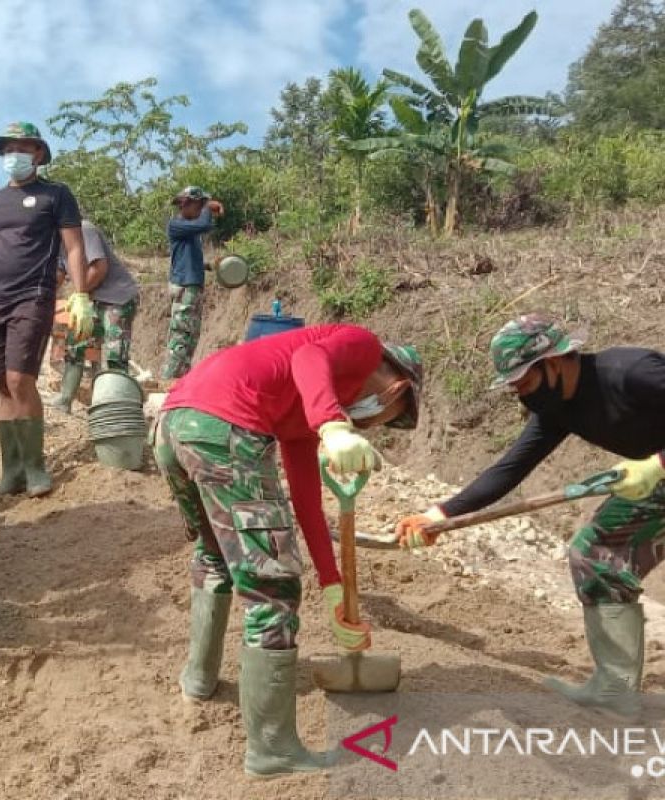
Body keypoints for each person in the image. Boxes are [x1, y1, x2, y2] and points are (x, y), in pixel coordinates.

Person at [152, 324, 423, 776]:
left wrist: (333, 586)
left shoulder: (299, 409)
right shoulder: (363, 346)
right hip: (225, 426)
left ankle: (198, 680)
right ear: (397, 389)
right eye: (383, 419)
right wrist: (334, 425)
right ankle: (272, 751)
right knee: (271, 588)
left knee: (215, 554)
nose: (371, 425)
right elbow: (309, 359)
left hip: (174, 424)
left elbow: (307, 502)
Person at [396, 314, 665, 718]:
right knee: (596, 557)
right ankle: (615, 689)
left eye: (524, 381)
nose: (520, 393)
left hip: (658, 473)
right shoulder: (559, 408)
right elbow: (509, 468)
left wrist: (658, 463)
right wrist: (438, 514)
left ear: (553, 363)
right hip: (656, 483)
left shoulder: (631, 372)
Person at [0, 122, 94, 498]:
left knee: (19, 380)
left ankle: (34, 467)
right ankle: (10, 470)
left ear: (38, 155)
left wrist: (80, 296)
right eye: (9, 148)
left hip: (34, 296)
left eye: (23, 148)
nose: (14, 155)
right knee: (1, 387)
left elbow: (75, 248)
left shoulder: (55, 195)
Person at [50, 214, 141, 412]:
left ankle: (114, 406)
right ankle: (65, 399)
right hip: (92, 299)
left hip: (117, 298)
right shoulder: (57, 242)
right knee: (76, 346)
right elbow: (58, 274)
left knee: (114, 355)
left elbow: (99, 268)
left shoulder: (84, 230)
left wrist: (78, 293)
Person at [161, 186, 223, 383]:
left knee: (190, 337)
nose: (200, 210)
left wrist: (209, 266)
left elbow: (185, 259)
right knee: (181, 337)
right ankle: (169, 381)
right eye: (199, 205)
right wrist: (208, 207)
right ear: (185, 204)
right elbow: (204, 225)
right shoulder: (176, 225)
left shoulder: (189, 232)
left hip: (191, 286)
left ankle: (181, 382)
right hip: (185, 287)